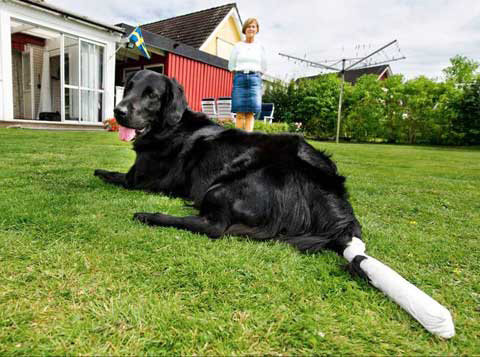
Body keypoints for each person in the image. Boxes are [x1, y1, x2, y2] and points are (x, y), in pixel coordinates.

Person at [228, 18, 267, 132]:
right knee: (239, 113)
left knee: (250, 113)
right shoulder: (238, 46)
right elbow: (231, 65)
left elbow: (264, 66)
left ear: (257, 29)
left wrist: (257, 77)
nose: (251, 28)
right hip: (239, 78)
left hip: (255, 79)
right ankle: (238, 140)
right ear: (245, 29)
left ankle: (248, 140)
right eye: (249, 26)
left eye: (253, 26)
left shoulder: (260, 47)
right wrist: (236, 79)